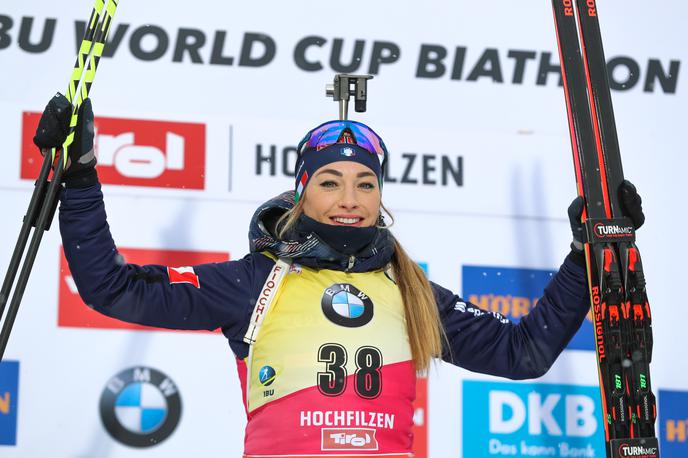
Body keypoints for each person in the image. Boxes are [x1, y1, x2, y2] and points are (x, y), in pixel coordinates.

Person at [33, 93, 644, 457]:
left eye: (365, 183)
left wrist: (584, 254)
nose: (348, 198)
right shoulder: (256, 280)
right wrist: (81, 175)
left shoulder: (410, 292)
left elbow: (524, 351)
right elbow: (112, 288)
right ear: (301, 194)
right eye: (329, 182)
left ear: (381, 196)